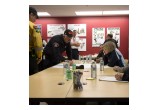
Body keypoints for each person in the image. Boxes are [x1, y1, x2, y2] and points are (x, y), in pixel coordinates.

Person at [29, 7, 43, 76]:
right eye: (35, 17)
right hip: (30, 56)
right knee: (33, 78)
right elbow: (38, 44)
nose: (35, 20)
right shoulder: (34, 27)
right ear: (31, 14)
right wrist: (39, 56)